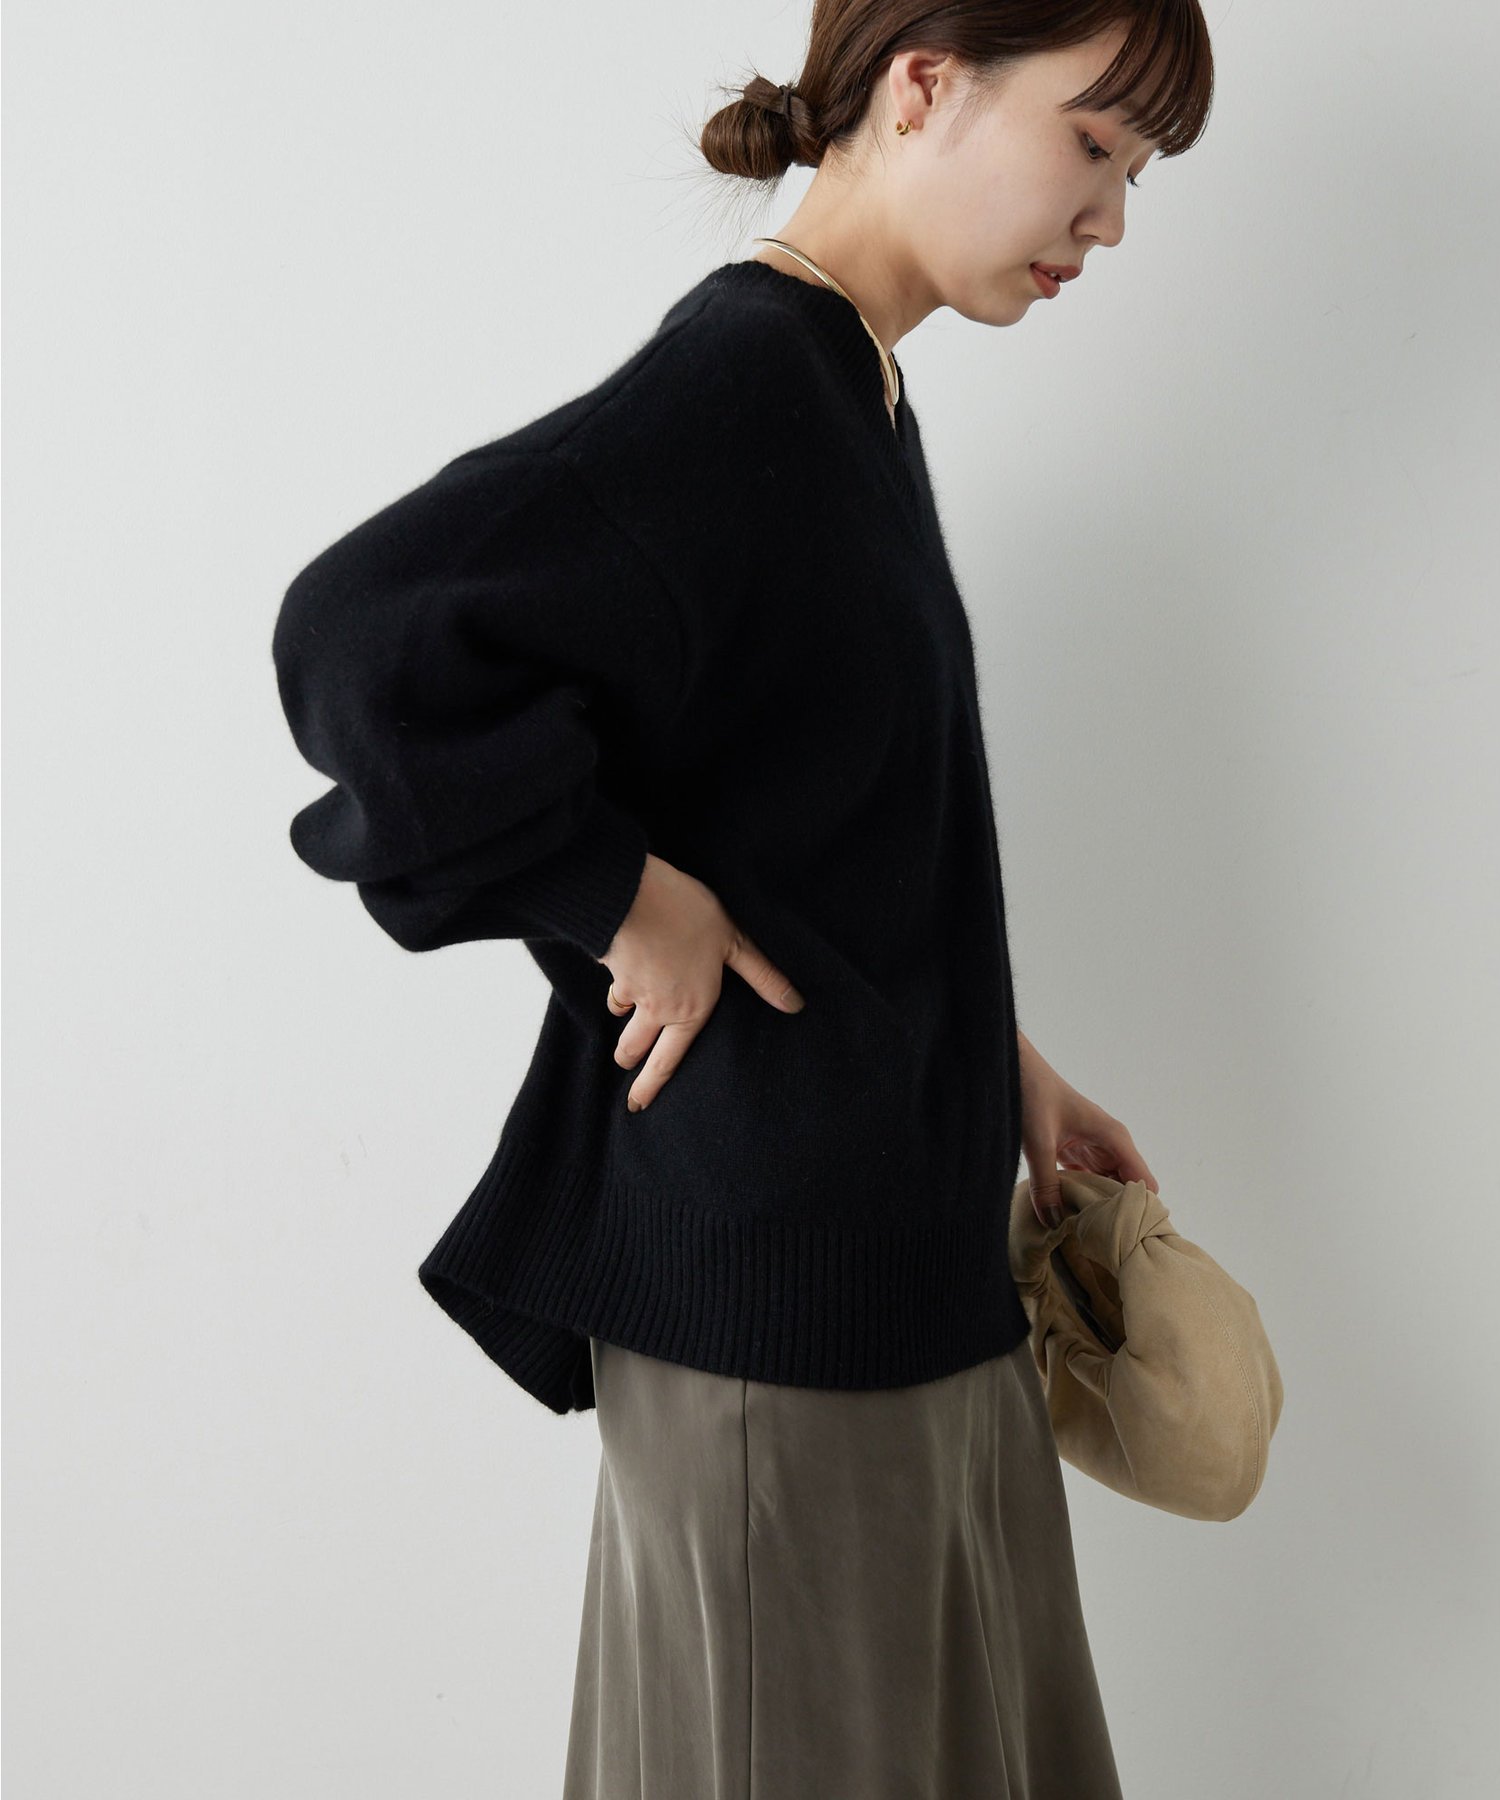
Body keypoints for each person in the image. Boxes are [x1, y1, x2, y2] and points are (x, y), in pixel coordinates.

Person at [272, 5, 1213, 1794]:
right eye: (1094, 145)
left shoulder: (851, 387)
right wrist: (620, 898)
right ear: (925, 83)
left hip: (901, 1294)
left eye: (1139, 175)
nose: (1108, 220)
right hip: (791, 1336)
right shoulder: (751, 384)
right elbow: (361, 635)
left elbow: (815, 813)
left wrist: (997, 1062)